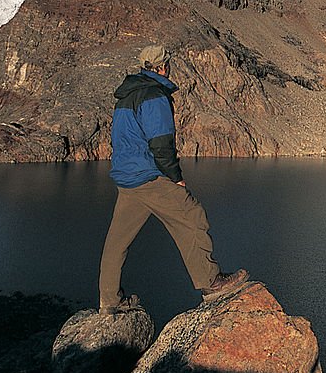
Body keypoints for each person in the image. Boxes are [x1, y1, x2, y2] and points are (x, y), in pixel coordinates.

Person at [98, 44, 247, 314]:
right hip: (149, 176)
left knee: (117, 240)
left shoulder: (125, 97)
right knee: (192, 215)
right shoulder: (154, 95)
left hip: (127, 177)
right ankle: (211, 282)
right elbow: (161, 143)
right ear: (162, 67)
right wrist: (175, 177)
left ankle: (109, 300)